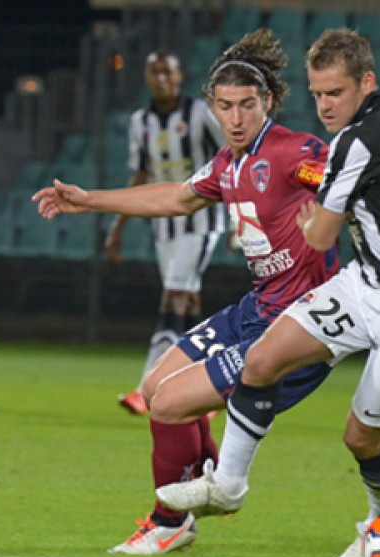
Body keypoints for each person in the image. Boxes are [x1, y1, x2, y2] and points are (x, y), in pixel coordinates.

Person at [155, 28, 380, 557]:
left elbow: (321, 236)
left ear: (366, 83)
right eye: (319, 93)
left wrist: (335, 223)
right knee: (262, 358)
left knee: (362, 439)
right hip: (366, 285)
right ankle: (228, 485)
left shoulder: (354, 143)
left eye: (337, 93)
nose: (326, 105)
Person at [33, 28, 339, 555]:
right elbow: (175, 197)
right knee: (156, 387)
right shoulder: (228, 164)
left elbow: (346, 178)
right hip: (256, 308)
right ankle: (206, 476)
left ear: (266, 102)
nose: (236, 118)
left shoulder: (293, 152)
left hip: (298, 327)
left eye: (247, 105)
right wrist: (90, 201)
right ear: (213, 109)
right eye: (225, 107)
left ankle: (169, 521)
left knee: (169, 406)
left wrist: (332, 217)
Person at [105, 50, 227, 417]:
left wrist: (241, 217)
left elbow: (232, 158)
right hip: (164, 223)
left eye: (167, 73)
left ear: (178, 77)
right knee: (187, 303)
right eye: (154, 72)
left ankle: (148, 388)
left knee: (172, 296)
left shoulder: (199, 115)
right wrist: (118, 225)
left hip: (201, 221)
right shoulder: (140, 121)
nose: (161, 79)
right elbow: (141, 174)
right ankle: (206, 391)